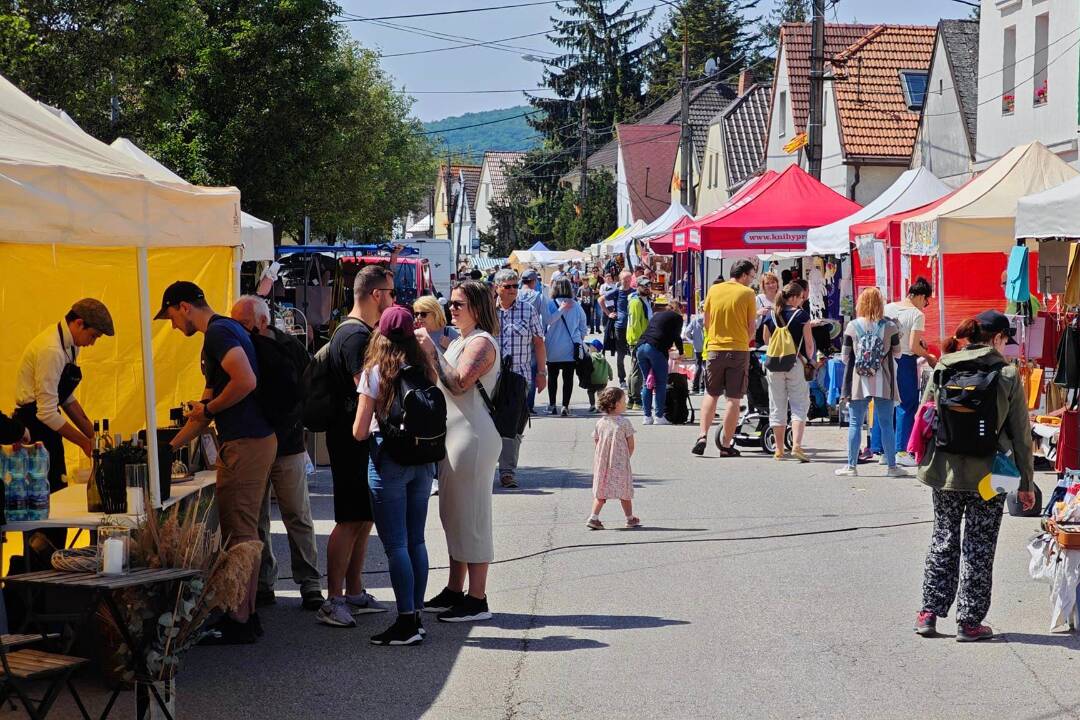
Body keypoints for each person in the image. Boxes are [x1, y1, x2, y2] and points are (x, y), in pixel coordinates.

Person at [158, 282, 276, 643]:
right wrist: (169, 449)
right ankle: (247, 613)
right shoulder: (226, 331)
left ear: (185, 307)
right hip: (253, 441)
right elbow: (202, 413)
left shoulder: (219, 333)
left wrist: (209, 408)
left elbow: (246, 380)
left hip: (245, 443)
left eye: (172, 317)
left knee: (240, 534)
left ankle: (239, 619)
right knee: (247, 534)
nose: (173, 326)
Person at [914, 310, 1036, 641]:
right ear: (997, 338)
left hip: (945, 470)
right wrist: (1026, 484)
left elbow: (924, 417)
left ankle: (928, 612)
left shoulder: (943, 366)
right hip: (991, 474)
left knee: (943, 537)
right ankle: (969, 622)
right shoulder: (1008, 375)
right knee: (980, 544)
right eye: (1005, 341)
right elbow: (1022, 435)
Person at [350, 306, 439, 646]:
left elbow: (359, 431)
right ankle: (415, 614)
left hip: (388, 460)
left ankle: (405, 622)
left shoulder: (375, 371)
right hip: (423, 461)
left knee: (396, 545)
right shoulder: (423, 366)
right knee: (416, 539)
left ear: (380, 334)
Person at [230, 296, 323, 612]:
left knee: (295, 515)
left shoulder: (285, 346)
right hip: (268, 443)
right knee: (260, 520)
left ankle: (309, 584)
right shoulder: (246, 346)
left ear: (262, 321)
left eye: (243, 323)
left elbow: (307, 386)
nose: (239, 330)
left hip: (284, 444)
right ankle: (265, 583)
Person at [418, 281, 501, 623]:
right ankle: (455, 589)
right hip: (456, 435)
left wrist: (433, 350)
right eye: (450, 303)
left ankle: (477, 597)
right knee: (453, 515)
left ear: (477, 308)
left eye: (458, 304)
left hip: (473, 436)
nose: (451, 309)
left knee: (473, 517)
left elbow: (459, 382)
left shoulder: (481, 342)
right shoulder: (463, 340)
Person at [317, 266, 395, 628]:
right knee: (349, 519)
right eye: (391, 293)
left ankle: (354, 591)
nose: (393, 300)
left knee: (362, 519)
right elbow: (367, 390)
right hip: (350, 438)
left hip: (355, 437)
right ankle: (332, 599)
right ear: (376, 295)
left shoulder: (357, 333)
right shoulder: (353, 337)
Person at [14, 299, 113, 494]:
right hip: (33, 428)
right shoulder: (51, 350)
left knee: (58, 488)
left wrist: (95, 438)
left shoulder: (70, 346)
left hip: (46, 427)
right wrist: (85, 443)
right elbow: (47, 414)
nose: (92, 343)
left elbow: (66, 398)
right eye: (93, 336)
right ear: (78, 323)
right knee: (45, 496)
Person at [835, 287, 904, 478]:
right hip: (885, 381)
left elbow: (845, 357)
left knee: (856, 423)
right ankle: (892, 467)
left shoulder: (852, 326)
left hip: (859, 381)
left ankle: (851, 466)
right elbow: (897, 353)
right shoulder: (890, 327)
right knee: (886, 424)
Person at [692, 260, 757, 457]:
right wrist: (744, 339)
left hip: (714, 348)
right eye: (752, 276)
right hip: (738, 349)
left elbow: (706, 321)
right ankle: (726, 445)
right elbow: (751, 327)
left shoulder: (714, 290)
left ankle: (702, 435)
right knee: (734, 399)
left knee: (711, 394)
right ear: (744, 275)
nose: (751, 280)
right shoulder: (748, 294)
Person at [493, 269, 547, 488]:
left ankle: (507, 471)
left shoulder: (528, 310)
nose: (513, 290)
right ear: (497, 287)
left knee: (513, 424)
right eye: (508, 286)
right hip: (490, 376)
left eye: (515, 286)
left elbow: (538, 342)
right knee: (487, 423)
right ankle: (486, 468)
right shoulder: (487, 311)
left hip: (519, 376)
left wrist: (542, 372)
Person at [884, 278, 937, 468]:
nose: (925, 305)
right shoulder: (916, 314)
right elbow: (913, 346)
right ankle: (901, 450)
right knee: (907, 404)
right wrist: (928, 356)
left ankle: (883, 450)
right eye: (926, 301)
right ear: (921, 296)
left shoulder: (888, 308)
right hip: (904, 360)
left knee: (886, 404)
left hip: (885, 359)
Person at [762, 282, 815, 463]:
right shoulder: (802, 316)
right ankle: (797, 446)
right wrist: (811, 360)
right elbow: (808, 344)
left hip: (774, 364)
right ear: (793, 297)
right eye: (801, 297)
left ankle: (778, 449)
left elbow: (766, 340)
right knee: (799, 404)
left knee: (777, 405)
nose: (802, 301)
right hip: (795, 363)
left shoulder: (771, 314)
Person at [587, 387, 639, 530]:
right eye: (624, 401)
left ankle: (594, 517)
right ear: (615, 404)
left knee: (601, 491)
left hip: (602, 463)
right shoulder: (625, 423)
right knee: (624, 491)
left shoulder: (600, 422)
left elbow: (596, 441)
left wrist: (601, 456)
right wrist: (626, 457)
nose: (625, 403)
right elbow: (631, 444)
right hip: (620, 463)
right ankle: (630, 518)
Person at [543, 278, 588, 417]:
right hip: (570, 347)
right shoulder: (576, 305)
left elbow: (545, 323)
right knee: (568, 378)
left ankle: (551, 405)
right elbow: (583, 326)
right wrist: (578, 339)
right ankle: (565, 405)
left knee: (552, 377)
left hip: (553, 346)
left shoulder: (550, 304)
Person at [635, 295, 682, 426]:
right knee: (661, 383)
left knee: (647, 383)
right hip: (655, 349)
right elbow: (676, 337)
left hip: (641, 347)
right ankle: (659, 416)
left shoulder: (657, 315)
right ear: (678, 309)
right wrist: (681, 353)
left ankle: (647, 416)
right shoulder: (677, 318)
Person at [625, 277, 654, 410]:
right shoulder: (636, 302)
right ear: (638, 286)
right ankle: (636, 399)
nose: (647, 288)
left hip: (640, 339)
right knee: (637, 370)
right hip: (638, 340)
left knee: (634, 369)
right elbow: (635, 325)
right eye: (644, 286)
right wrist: (640, 341)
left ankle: (632, 399)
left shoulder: (644, 300)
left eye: (649, 285)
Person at [603, 272, 635, 388]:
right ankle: (622, 379)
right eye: (625, 280)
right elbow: (600, 300)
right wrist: (608, 313)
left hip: (632, 326)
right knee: (621, 354)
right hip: (620, 326)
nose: (627, 282)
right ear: (620, 280)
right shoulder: (617, 291)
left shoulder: (634, 292)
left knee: (634, 353)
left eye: (628, 280)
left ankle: (634, 378)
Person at [682, 302, 706, 394]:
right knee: (706, 366)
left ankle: (695, 386)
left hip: (697, 346)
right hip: (707, 346)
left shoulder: (695, 320)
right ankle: (703, 386)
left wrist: (692, 340)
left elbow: (687, 332)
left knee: (698, 366)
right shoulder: (711, 318)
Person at [585, 339, 613, 412]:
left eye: (590, 346)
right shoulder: (603, 358)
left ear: (594, 348)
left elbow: (588, 368)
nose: (589, 348)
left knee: (590, 392)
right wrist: (611, 376)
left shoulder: (591, 357)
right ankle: (599, 407)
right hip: (603, 380)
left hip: (593, 380)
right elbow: (609, 368)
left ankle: (592, 405)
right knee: (600, 393)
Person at [755, 272, 780, 345]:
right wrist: (758, 313)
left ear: (777, 284)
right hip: (761, 341)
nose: (771, 285)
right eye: (767, 283)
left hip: (780, 338)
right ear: (763, 286)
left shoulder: (783, 298)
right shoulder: (758, 299)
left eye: (773, 282)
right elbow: (750, 318)